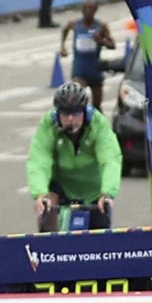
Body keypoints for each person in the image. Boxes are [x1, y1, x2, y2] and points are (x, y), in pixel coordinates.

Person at [28, 81, 122, 232]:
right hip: (61, 188)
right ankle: (49, 249)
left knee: (100, 236)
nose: (70, 119)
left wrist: (108, 193)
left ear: (85, 111)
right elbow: (39, 160)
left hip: (93, 190)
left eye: (76, 113)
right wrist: (40, 194)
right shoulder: (48, 125)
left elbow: (110, 158)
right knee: (46, 212)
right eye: (65, 113)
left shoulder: (97, 124)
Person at [60, 0, 115, 111]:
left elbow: (112, 45)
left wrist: (101, 41)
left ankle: (98, 126)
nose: (87, 11)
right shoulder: (75, 24)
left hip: (95, 70)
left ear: (96, 10)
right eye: (85, 8)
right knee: (76, 100)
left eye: (90, 8)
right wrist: (63, 46)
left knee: (97, 107)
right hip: (79, 70)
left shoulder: (101, 26)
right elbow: (65, 30)